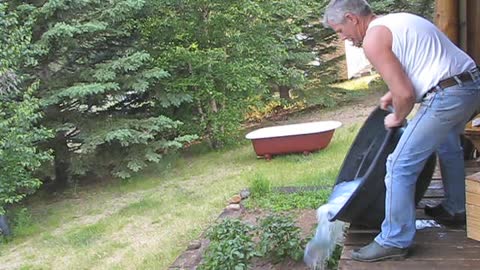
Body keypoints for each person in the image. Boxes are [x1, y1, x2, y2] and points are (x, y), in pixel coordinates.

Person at [323, 0, 480, 262]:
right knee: (447, 145)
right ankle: (455, 208)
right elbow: (417, 69)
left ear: (351, 18)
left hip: (448, 95)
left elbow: (406, 94)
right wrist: (391, 94)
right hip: (470, 84)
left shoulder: (373, 39)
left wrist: (397, 116)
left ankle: (394, 239)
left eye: (339, 31)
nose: (343, 38)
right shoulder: (396, 21)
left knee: (398, 165)